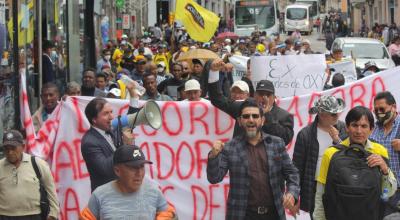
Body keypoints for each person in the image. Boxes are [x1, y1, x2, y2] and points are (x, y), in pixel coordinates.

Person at [207, 99, 300, 220]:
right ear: (240, 121)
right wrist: (213, 156)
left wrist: (292, 193)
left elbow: (292, 172)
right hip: (242, 215)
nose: (251, 120)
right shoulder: (230, 147)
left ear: (262, 120)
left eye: (255, 116)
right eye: (246, 116)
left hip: (274, 214)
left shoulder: (277, 143)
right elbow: (214, 178)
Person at [313, 106, 397, 220]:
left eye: (364, 126)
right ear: (347, 127)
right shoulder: (331, 153)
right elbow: (321, 193)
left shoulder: (380, 151)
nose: (359, 131)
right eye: (354, 125)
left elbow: (388, 193)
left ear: (371, 129)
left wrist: (385, 169)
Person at [207, 59, 294, 145]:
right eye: (260, 94)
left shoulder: (284, 116)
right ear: (255, 95)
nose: (264, 98)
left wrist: (267, 115)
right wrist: (214, 72)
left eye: (267, 95)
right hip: (240, 156)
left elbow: (285, 140)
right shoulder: (243, 107)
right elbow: (217, 100)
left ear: (274, 97)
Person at [80, 145, 176, 220]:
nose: (139, 173)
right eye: (133, 167)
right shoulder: (99, 195)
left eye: (142, 166)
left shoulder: (155, 193)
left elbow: (169, 215)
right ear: (117, 171)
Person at [293, 95, 347, 217]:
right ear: (322, 115)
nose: (337, 116)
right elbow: (296, 167)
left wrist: (337, 140)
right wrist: (295, 196)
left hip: (339, 185)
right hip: (315, 187)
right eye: (333, 114)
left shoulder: (344, 128)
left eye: (338, 112)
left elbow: (349, 157)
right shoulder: (305, 134)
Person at [0, 130, 59, 219]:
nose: (10, 152)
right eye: (6, 149)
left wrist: (53, 214)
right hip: (5, 216)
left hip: (33, 215)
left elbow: (51, 190)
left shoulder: (37, 164)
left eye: (13, 148)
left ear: (23, 147)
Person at [81, 97, 136, 191]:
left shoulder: (111, 130)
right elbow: (106, 169)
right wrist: (124, 147)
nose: (111, 117)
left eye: (111, 112)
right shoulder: (89, 142)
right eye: (106, 113)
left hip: (122, 190)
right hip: (106, 197)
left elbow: (132, 119)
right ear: (94, 119)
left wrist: (134, 96)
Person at [370, 91, 400, 217]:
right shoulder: (373, 128)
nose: (378, 113)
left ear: (393, 107)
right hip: (379, 191)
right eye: (375, 110)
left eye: (382, 108)